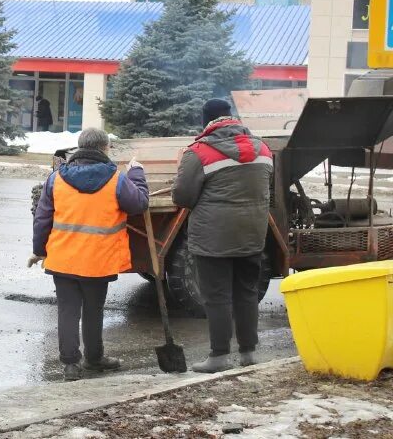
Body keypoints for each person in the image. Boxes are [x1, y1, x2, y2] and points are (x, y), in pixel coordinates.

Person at [31, 128, 149, 381]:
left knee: (67, 311)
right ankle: (94, 359)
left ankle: (70, 365)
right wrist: (137, 173)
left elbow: (42, 219)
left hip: (63, 258)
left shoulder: (56, 178)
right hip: (98, 260)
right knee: (94, 310)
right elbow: (139, 204)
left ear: (79, 147)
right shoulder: (116, 178)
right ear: (105, 148)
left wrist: (39, 250)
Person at [172, 98, 273, 373]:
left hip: (213, 237)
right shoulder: (262, 148)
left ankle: (218, 356)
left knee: (216, 296)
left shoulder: (200, 152)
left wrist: (182, 166)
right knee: (247, 292)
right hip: (252, 233)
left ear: (206, 121)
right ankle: (249, 353)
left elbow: (182, 196)